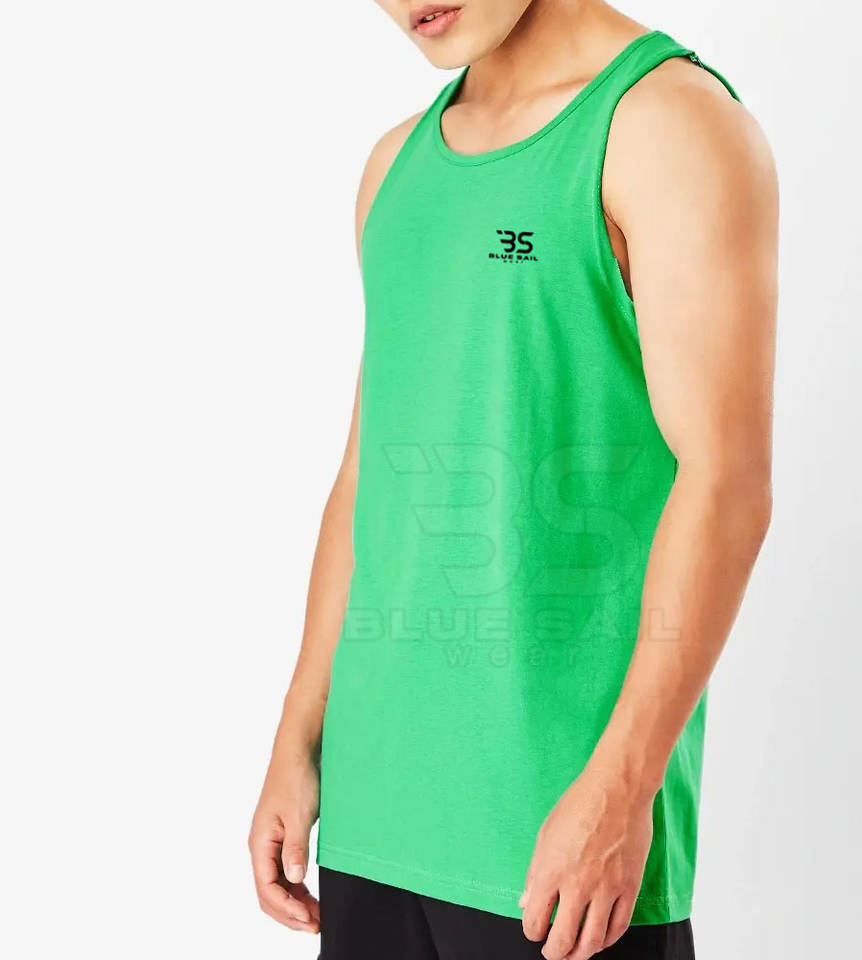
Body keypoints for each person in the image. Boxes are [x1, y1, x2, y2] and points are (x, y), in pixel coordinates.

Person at [249, 1, 777, 957]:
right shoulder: (394, 167)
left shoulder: (667, 126)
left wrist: (622, 787)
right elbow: (370, 471)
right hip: (373, 813)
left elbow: (726, 483)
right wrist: (299, 732)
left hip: (558, 841)